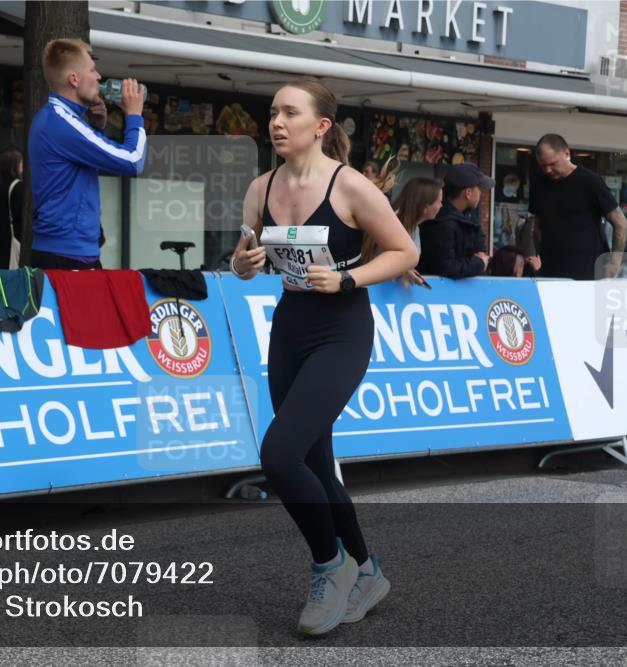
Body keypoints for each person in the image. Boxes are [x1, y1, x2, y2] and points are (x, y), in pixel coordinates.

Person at [230, 77, 418, 636]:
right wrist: (245, 264)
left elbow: (405, 250)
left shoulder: (350, 187)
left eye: (290, 113)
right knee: (312, 464)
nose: (277, 123)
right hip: (289, 329)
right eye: (272, 113)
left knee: (279, 456)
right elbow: (243, 261)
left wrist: (347, 279)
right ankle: (366, 570)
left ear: (321, 126)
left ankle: (327, 566)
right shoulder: (259, 188)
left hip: (341, 332)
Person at [28, 38, 147, 269]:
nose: (99, 77)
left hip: (67, 249)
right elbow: (133, 161)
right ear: (74, 79)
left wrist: (96, 126)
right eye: (92, 70)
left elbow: (75, 164)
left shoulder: (57, 118)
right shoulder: (61, 122)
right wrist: (134, 115)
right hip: (67, 253)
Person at [530, 133, 627, 279]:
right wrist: (537, 255)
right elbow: (537, 225)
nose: (548, 170)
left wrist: (614, 263)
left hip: (588, 271)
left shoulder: (589, 181)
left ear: (567, 153)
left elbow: (620, 222)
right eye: (543, 165)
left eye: (553, 164)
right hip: (551, 271)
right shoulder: (539, 184)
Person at [361, 176, 442, 287]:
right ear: (425, 206)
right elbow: (379, 261)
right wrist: (404, 270)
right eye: (439, 202)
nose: (441, 206)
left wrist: (405, 270)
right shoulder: (394, 224)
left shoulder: (412, 225)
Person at [417, 163, 494, 279]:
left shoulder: (469, 217)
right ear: (468, 193)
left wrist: (480, 258)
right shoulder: (441, 223)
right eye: (479, 189)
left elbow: (480, 250)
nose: (481, 194)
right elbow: (447, 267)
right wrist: (479, 263)